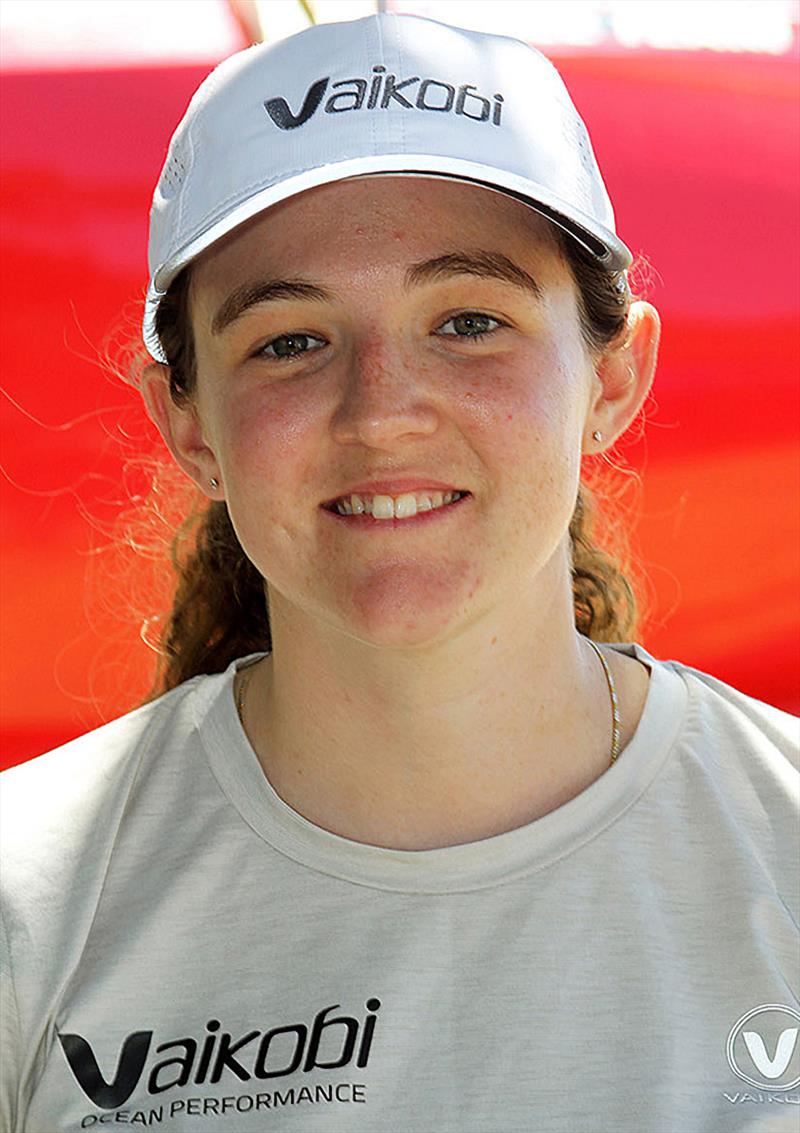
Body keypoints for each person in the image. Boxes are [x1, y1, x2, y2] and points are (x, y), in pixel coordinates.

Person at [1, 12, 797, 1132]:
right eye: (289, 341)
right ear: (187, 422)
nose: (379, 412)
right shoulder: (29, 903)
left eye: (467, 320)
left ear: (613, 377)